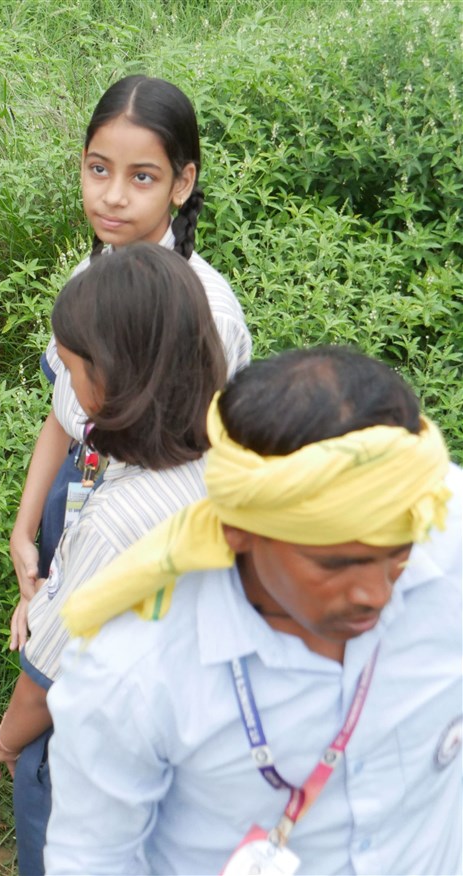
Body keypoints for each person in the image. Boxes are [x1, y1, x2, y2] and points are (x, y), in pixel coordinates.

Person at [44, 347, 460, 875]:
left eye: (399, 553)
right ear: (238, 528)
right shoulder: (131, 671)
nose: (375, 594)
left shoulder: (444, 529)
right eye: (335, 564)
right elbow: (94, 860)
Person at [0, 244, 226, 875]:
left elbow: (46, 679)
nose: (65, 386)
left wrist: (7, 740)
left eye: (71, 370)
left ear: (114, 380)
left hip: (100, 742)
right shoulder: (226, 461)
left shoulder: (118, 520)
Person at [8, 75, 253, 645]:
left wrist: (69, 586)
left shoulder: (207, 315)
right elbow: (63, 416)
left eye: (142, 176)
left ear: (182, 182)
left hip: (144, 534)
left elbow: (192, 481)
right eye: (99, 169)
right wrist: (25, 532)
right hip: (75, 497)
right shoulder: (91, 273)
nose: (113, 195)